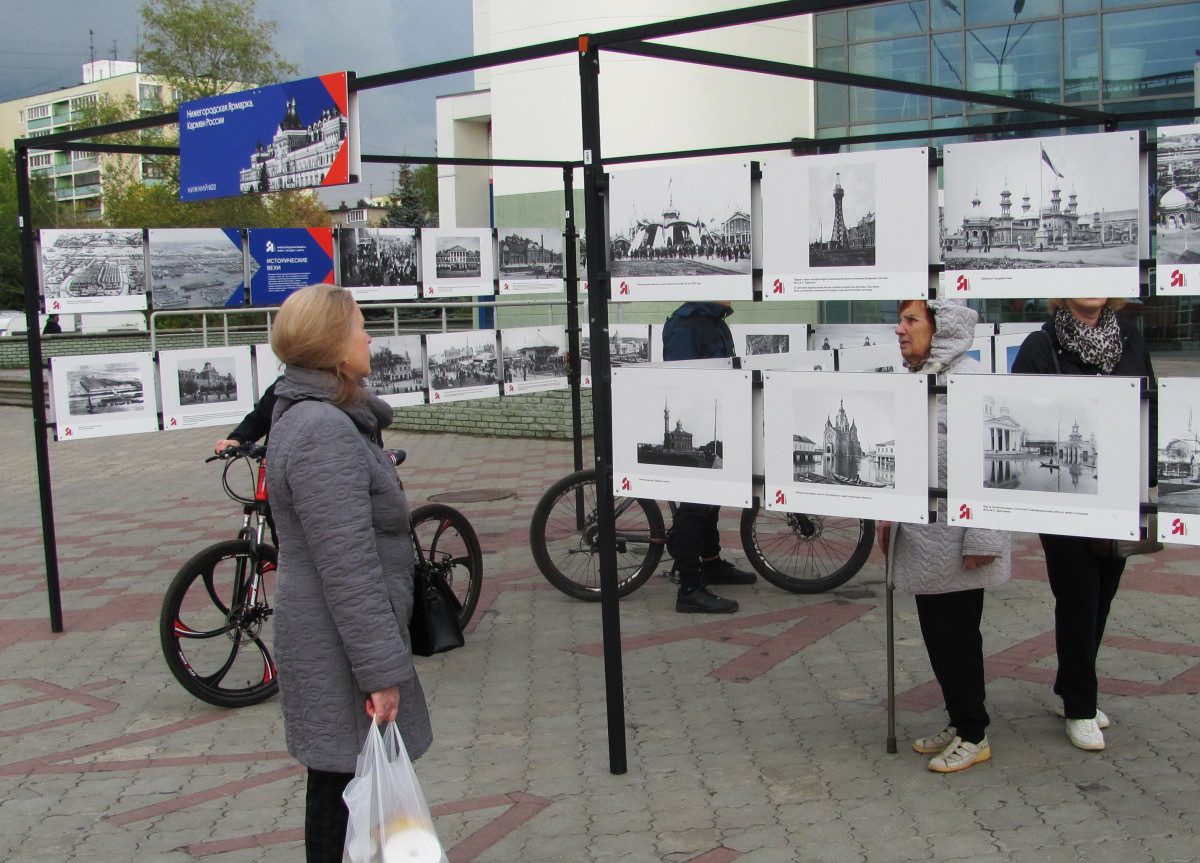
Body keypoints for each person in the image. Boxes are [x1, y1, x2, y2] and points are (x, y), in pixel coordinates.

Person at [265, 285, 431, 863]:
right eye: (359, 326)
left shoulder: (322, 416)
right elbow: (348, 566)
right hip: (340, 643)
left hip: (335, 637)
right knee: (343, 796)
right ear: (333, 345)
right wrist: (382, 675)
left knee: (341, 787)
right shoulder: (323, 430)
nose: (368, 336)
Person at [1011, 297, 1155, 752]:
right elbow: (1023, 406)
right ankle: (1079, 705)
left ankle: (1070, 685)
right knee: (1078, 595)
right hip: (1062, 499)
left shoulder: (1130, 340)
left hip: (1119, 487)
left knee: (1105, 590)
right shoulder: (1042, 345)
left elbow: (1150, 408)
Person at [877, 299, 1011, 773]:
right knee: (938, 634)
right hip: (925, 534)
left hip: (959, 538)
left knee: (957, 637)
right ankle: (959, 719)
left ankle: (974, 733)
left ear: (943, 328)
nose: (900, 329)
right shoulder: (920, 379)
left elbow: (988, 470)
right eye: (900, 319)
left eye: (911, 320)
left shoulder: (970, 382)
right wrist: (887, 512)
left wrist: (984, 537)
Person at [661, 300, 757, 614]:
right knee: (694, 505)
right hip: (698, 422)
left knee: (711, 499)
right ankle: (689, 587)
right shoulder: (684, 325)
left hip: (720, 417)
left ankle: (711, 562)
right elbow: (682, 380)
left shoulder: (714, 320)